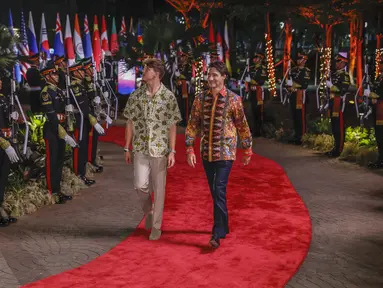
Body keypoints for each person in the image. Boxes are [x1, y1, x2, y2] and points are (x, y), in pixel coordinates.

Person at [185, 61, 253, 249]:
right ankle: (224, 225)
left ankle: (217, 233)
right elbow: (192, 124)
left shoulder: (234, 100)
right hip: (207, 152)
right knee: (215, 192)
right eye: (209, 75)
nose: (212, 78)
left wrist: (247, 148)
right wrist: (189, 148)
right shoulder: (200, 99)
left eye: (215, 75)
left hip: (225, 153)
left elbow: (242, 125)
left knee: (219, 189)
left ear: (224, 77)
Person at [123, 58, 181, 241]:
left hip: (160, 149)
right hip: (140, 146)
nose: (143, 72)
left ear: (156, 73)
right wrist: (126, 147)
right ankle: (149, 210)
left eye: (147, 69)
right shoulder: (136, 95)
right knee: (140, 185)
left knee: (160, 189)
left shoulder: (168, 97)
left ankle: (156, 226)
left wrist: (173, 151)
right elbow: (129, 122)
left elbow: (173, 125)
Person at [40, 61, 77, 204]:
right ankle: (52, 192)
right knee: (52, 162)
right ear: (47, 76)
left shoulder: (59, 91)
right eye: (53, 74)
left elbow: (62, 114)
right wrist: (64, 134)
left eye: (56, 73)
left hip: (61, 129)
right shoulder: (46, 93)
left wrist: (69, 110)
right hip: (52, 131)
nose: (56, 76)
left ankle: (57, 189)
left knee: (59, 161)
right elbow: (52, 117)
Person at [0, 70, 19, 226]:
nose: (0, 82)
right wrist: (4, 143)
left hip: (6, 143)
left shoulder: (3, 99)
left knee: (2, 178)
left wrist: (13, 115)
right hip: (1, 144)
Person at [326, 52, 350, 157]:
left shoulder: (344, 75)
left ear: (343, 62)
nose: (336, 63)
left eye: (338, 61)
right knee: (334, 126)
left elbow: (341, 90)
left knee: (339, 126)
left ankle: (339, 149)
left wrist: (331, 86)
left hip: (339, 103)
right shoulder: (334, 74)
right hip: (332, 102)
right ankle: (335, 147)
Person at [286, 52, 311, 144]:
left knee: (301, 116)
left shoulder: (306, 71)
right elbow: (288, 82)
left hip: (300, 95)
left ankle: (302, 136)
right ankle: (296, 135)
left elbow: (304, 83)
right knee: (295, 115)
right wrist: (288, 84)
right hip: (293, 95)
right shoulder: (293, 70)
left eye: (300, 59)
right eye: (298, 59)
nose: (298, 60)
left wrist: (293, 84)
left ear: (304, 60)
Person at [364, 57, 383, 168]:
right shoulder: (379, 77)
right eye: (380, 63)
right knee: (379, 135)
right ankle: (380, 158)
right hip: (378, 109)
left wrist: (371, 94)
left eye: (382, 64)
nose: (380, 65)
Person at [247, 51, 267, 137]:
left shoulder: (262, 69)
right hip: (252, 92)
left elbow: (261, 80)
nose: (254, 59)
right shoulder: (251, 68)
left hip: (259, 92)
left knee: (259, 111)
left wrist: (252, 81)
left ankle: (259, 130)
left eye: (257, 58)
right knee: (253, 111)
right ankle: (255, 129)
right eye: (254, 58)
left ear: (261, 59)